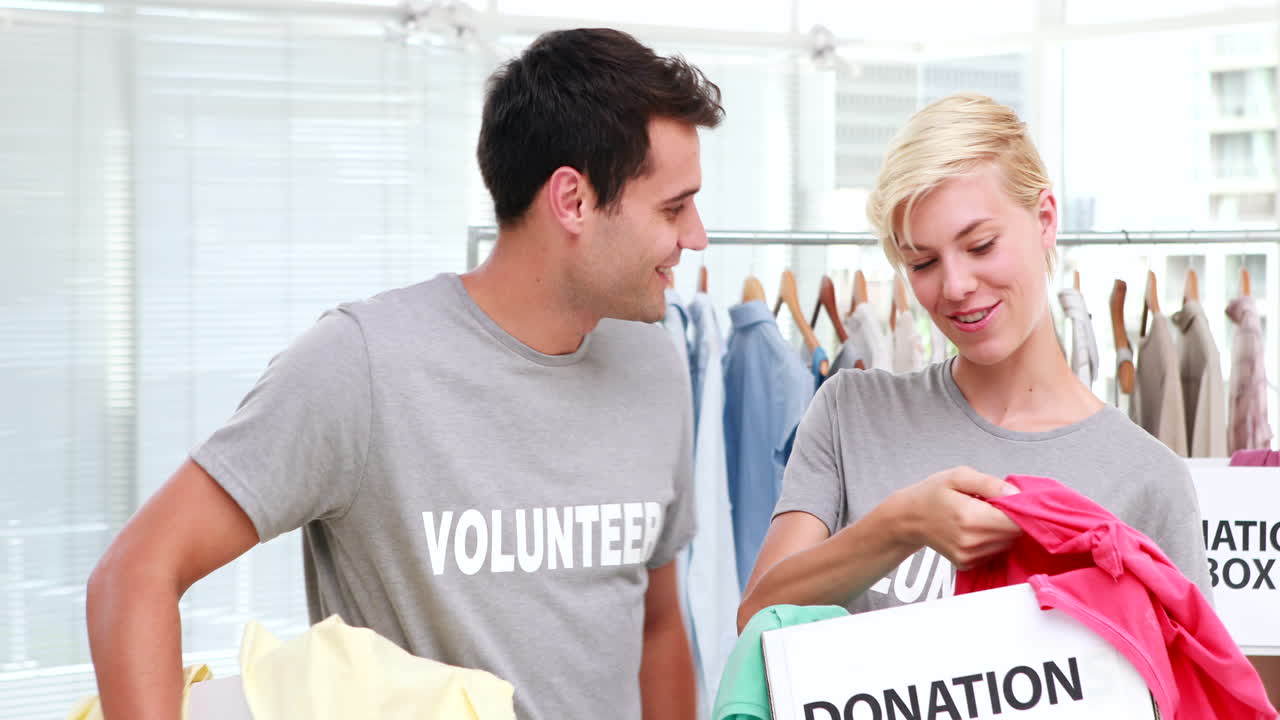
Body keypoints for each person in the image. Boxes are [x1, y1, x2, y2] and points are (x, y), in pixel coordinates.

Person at [86, 28, 722, 720]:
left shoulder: (654, 361)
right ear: (571, 200)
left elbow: (657, 626)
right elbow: (136, 574)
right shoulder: (361, 365)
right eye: (672, 207)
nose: (697, 236)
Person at [737, 93, 1211, 629]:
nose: (956, 286)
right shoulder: (852, 413)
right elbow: (759, 617)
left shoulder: (1147, 480)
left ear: (1045, 220)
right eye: (924, 262)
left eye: (981, 245)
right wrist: (900, 525)